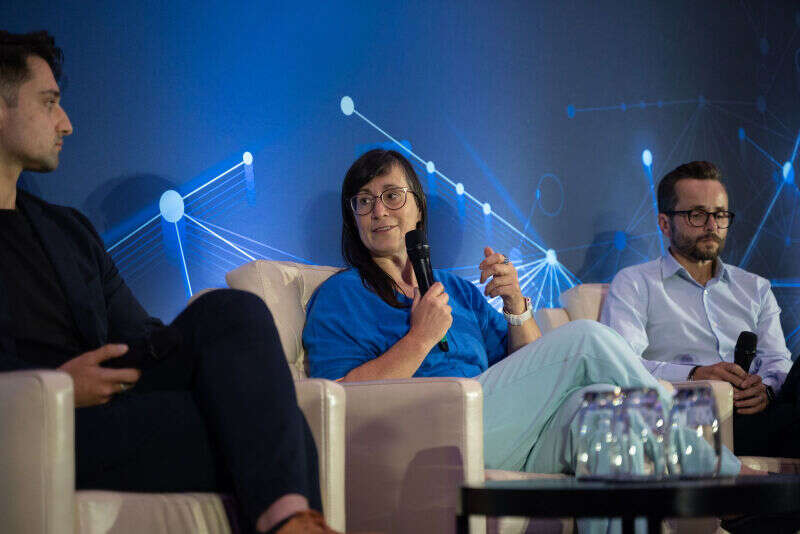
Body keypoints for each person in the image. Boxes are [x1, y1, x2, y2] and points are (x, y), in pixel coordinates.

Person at [0, 30, 338, 534]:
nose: (66, 124)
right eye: (49, 103)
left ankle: (288, 521)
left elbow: (143, 337)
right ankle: (289, 518)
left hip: (118, 398)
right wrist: (59, 388)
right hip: (38, 420)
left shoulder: (68, 229)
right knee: (278, 436)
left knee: (232, 311)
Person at [303, 148, 756, 483]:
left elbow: (536, 368)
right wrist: (419, 340)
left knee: (606, 415)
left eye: (391, 195)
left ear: (418, 206)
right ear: (354, 219)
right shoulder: (341, 295)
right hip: (425, 434)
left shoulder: (456, 288)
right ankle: (728, 477)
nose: (378, 211)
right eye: (363, 201)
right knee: (587, 338)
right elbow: (339, 401)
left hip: (502, 430)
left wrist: (517, 308)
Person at [600, 161, 799, 458]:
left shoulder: (755, 287)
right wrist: (696, 373)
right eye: (697, 215)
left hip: (762, 412)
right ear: (664, 224)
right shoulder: (635, 283)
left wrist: (767, 390)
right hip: (694, 419)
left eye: (720, 215)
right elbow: (624, 365)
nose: (711, 226)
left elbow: (777, 361)